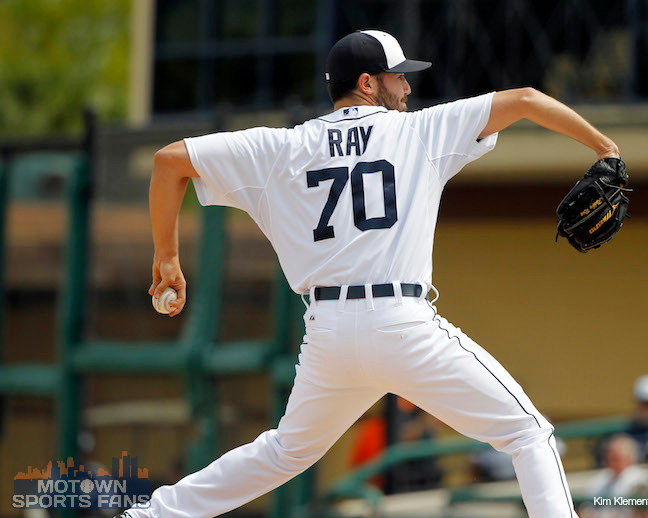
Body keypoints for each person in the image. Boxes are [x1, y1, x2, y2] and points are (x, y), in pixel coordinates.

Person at [121, 29, 622, 518]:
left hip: (329, 336)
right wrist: (605, 148)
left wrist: (167, 258)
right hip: (400, 324)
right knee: (527, 433)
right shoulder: (418, 131)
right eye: (397, 77)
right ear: (366, 83)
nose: (407, 87)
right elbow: (528, 98)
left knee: (284, 453)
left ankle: (152, 515)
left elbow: (169, 162)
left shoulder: (282, 147)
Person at [583, 435, 648, 518]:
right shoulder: (601, 479)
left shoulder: (642, 478)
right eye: (609, 458)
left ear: (630, 458)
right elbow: (586, 509)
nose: (611, 462)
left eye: (616, 458)